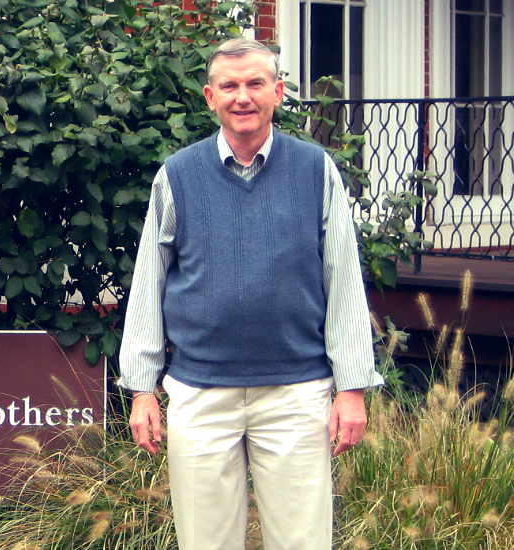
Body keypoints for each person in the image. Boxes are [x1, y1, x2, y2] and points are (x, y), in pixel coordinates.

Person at [117, 38, 382, 550]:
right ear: (210, 97)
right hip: (200, 392)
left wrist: (351, 387)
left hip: (296, 392)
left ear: (278, 92)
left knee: (302, 543)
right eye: (230, 86)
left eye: (256, 83)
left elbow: (343, 278)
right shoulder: (177, 175)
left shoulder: (315, 169)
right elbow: (149, 282)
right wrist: (141, 387)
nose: (243, 96)